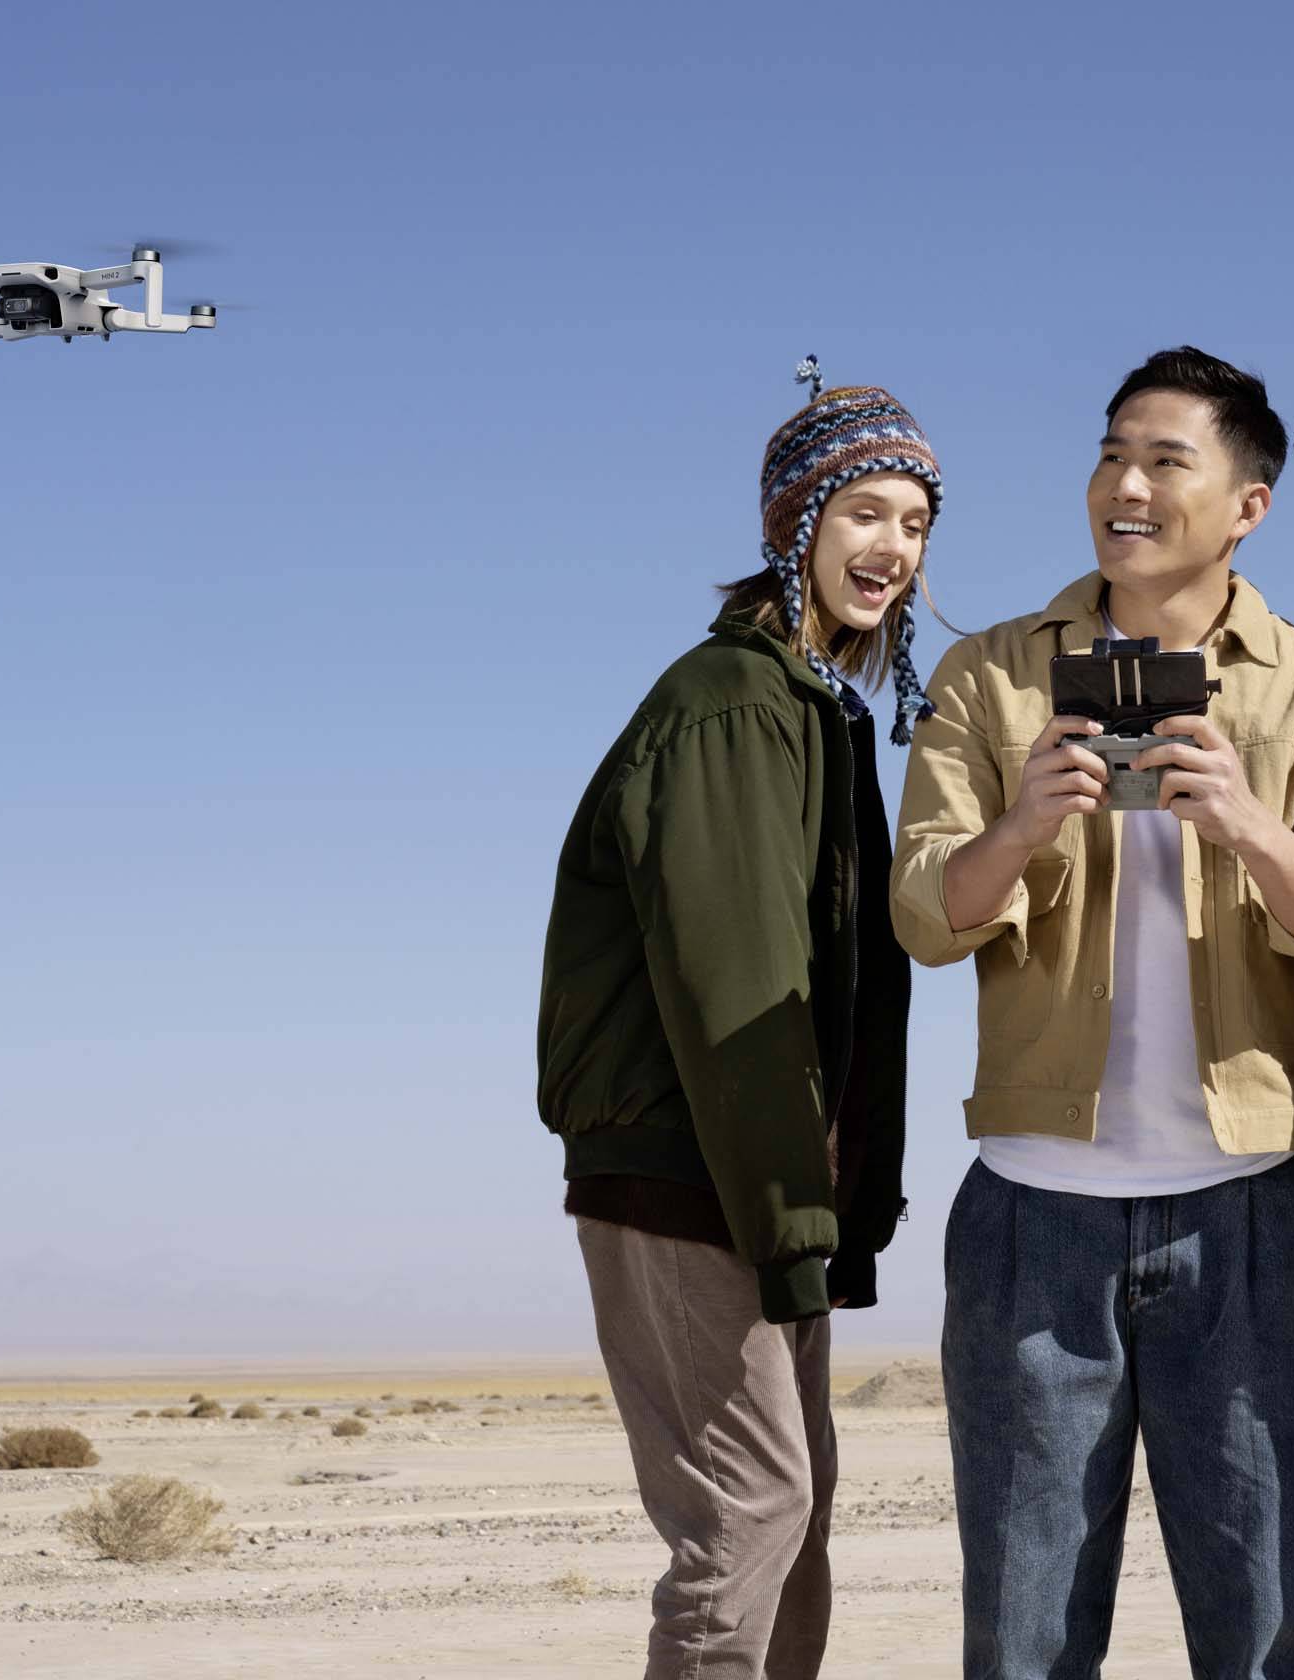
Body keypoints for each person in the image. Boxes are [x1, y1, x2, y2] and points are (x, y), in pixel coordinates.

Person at [891, 345, 1294, 1679]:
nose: (1124, 485)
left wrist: (1244, 819)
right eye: (1111, 454)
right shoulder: (991, 680)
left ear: (1249, 503)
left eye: (1165, 461)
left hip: (1250, 1220)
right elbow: (919, 917)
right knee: (1022, 1643)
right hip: (1027, 1218)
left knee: (1271, 1639)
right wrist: (1022, 822)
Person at [535, 365, 941, 1679]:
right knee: (751, 1516)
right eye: (865, 512)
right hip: (688, 1168)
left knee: (796, 1513)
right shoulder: (729, 707)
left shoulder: (814, 712)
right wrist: (789, 1217)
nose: (893, 548)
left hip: (759, 1173)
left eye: (916, 521)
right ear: (795, 521)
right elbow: (739, 994)